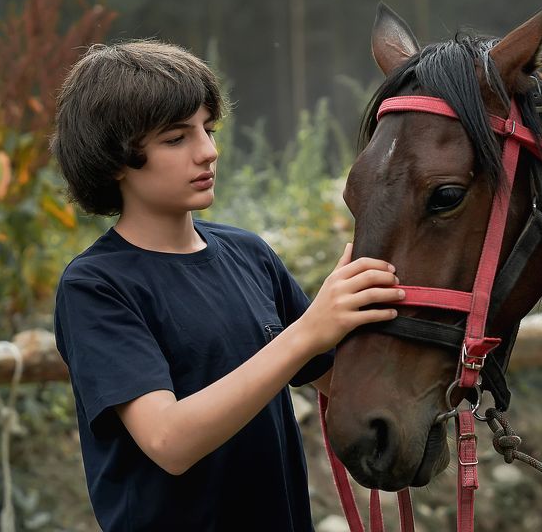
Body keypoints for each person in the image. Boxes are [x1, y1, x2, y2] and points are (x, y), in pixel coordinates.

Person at [49, 40, 403, 531]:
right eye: (176, 138)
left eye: (208, 130)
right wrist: (308, 331)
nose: (208, 152)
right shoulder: (96, 286)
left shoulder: (248, 254)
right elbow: (169, 442)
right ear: (113, 160)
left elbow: (337, 380)